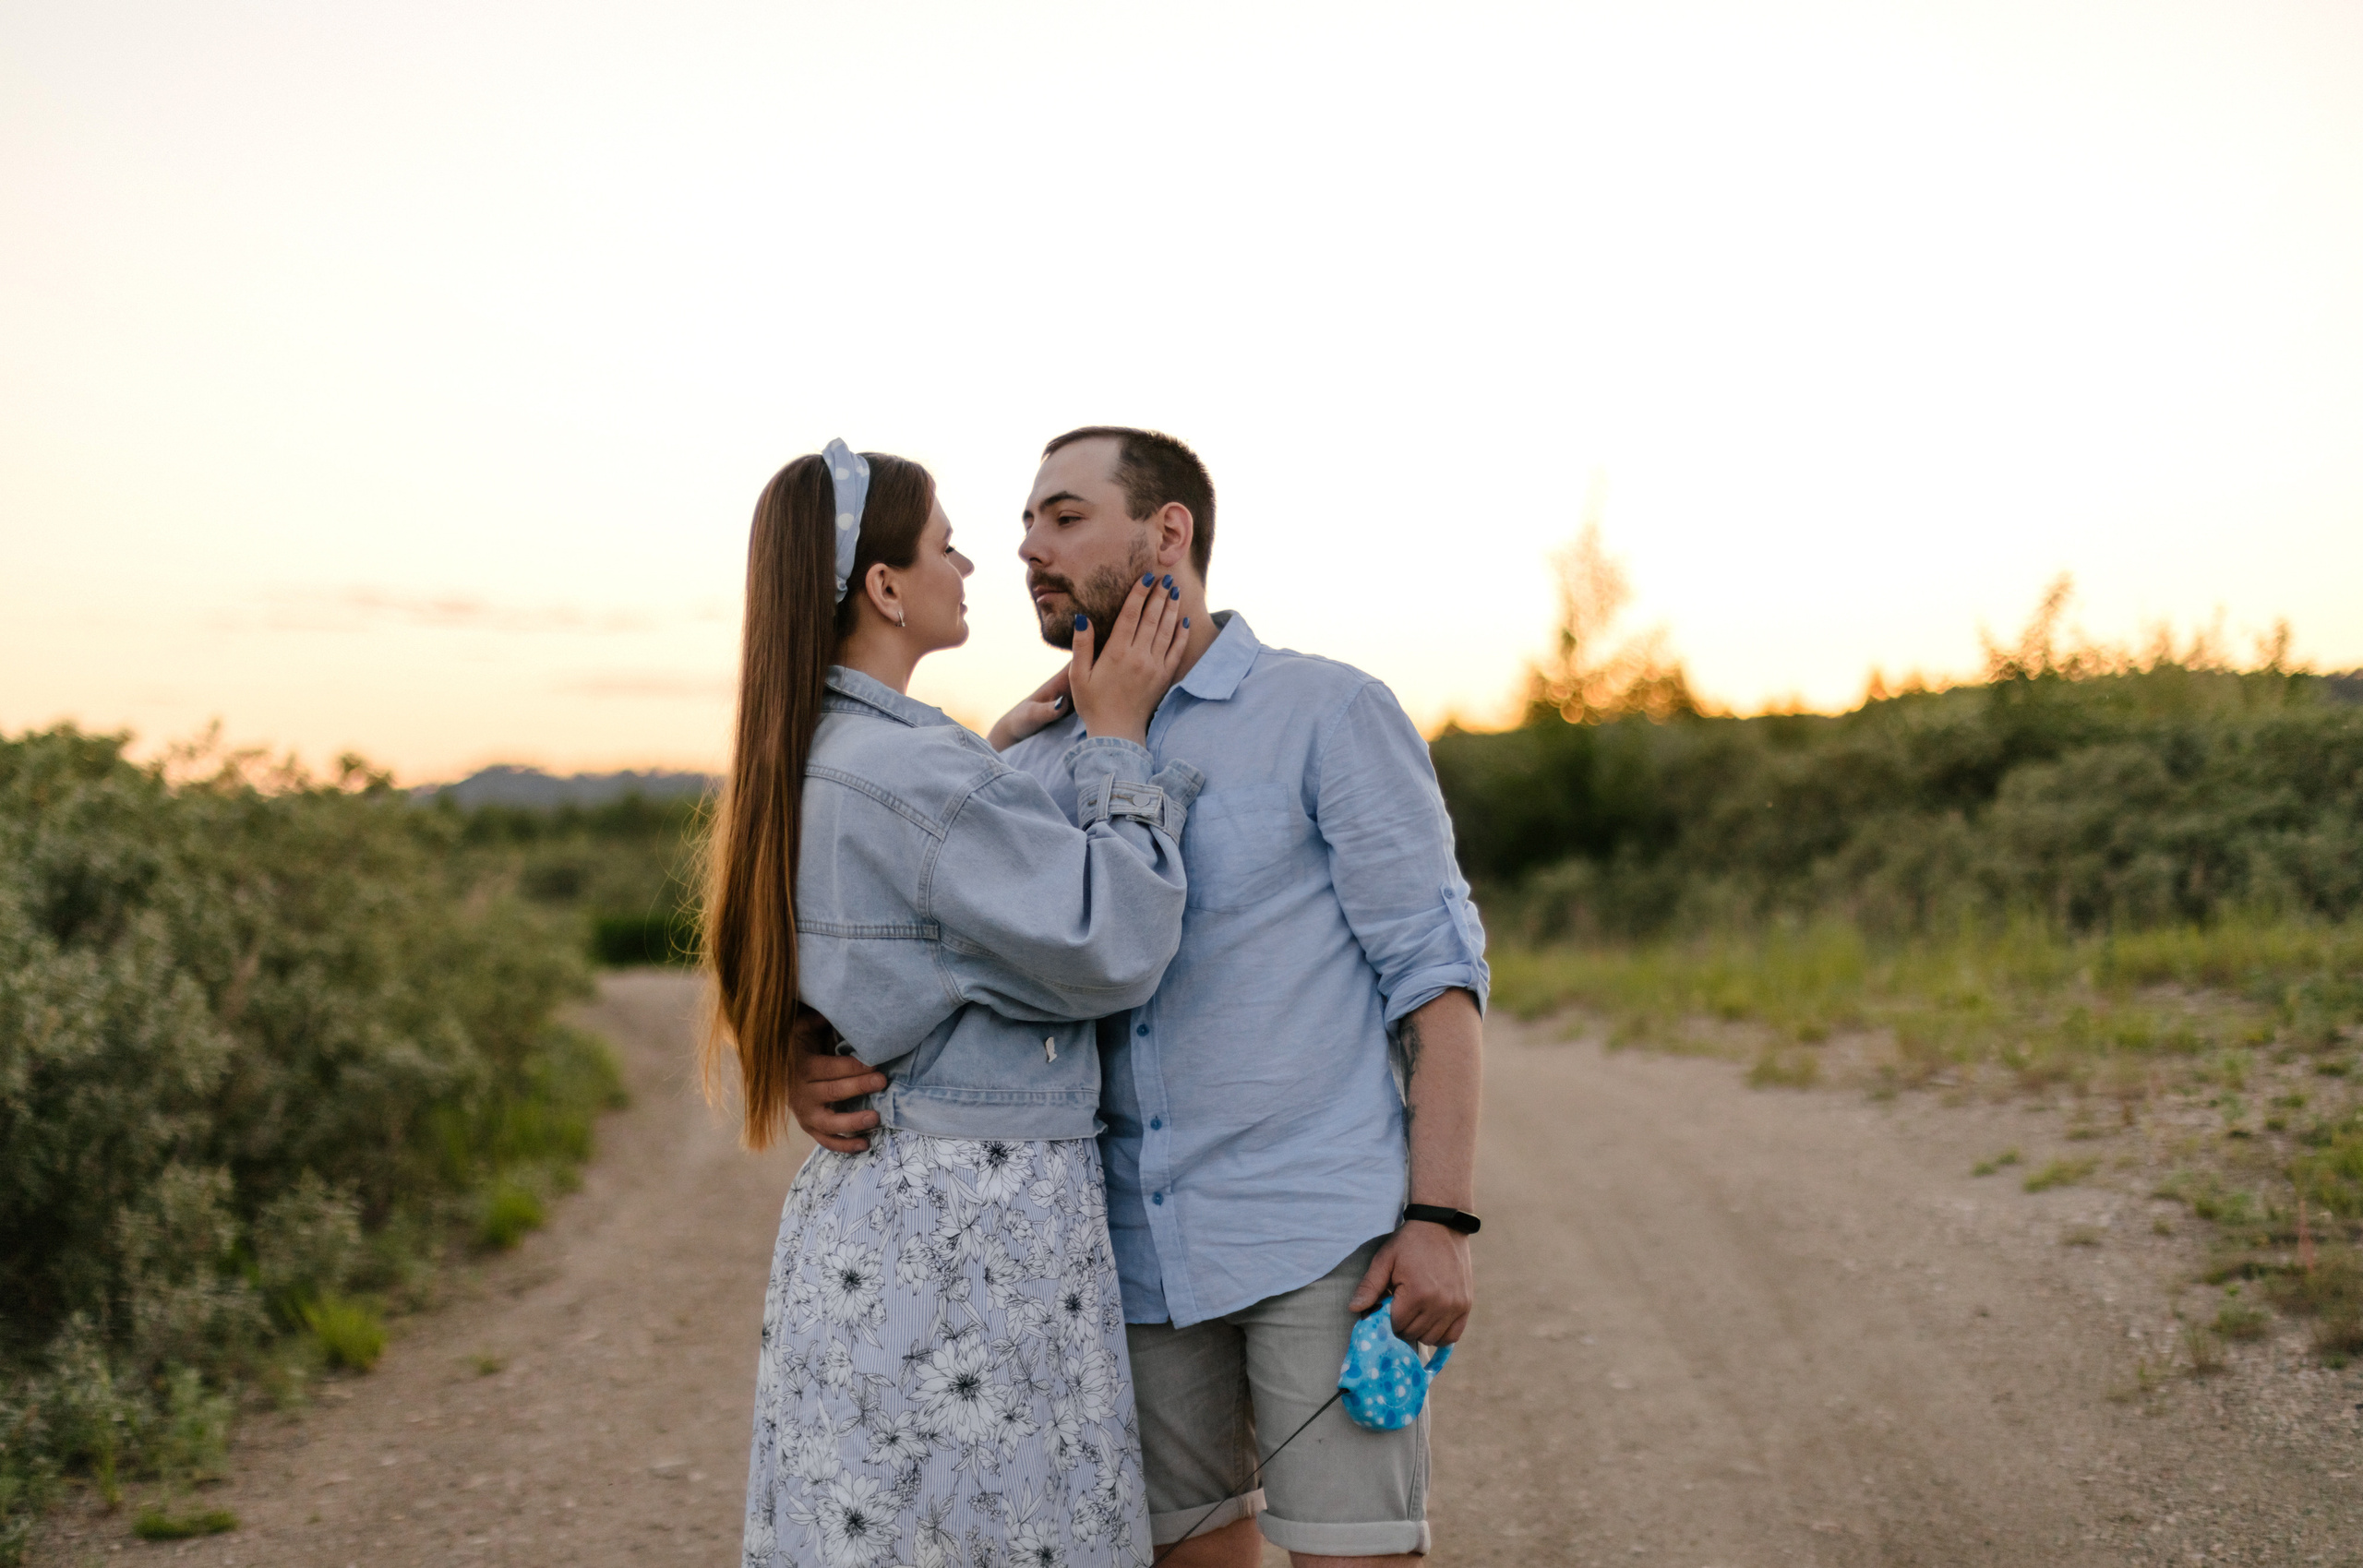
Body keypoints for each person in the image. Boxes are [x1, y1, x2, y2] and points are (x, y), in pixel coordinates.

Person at [793, 428, 1489, 1566]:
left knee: (1356, 1553)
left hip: (1318, 1239)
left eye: (1065, 518)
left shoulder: (1328, 711)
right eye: (1024, 524)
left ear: (1169, 531)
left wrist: (1440, 1219)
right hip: (1121, 1260)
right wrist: (806, 1052)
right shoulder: (1026, 765)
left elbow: (1437, 981)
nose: (1028, 548)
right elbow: (913, 944)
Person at [705, 441, 1207, 1568]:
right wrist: (1117, 743)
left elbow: (897, 912)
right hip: (976, 1234)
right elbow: (1115, 941)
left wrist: (991, 763)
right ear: (885, 586)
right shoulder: (914, 774)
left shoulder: (820, 752)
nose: (974, 562)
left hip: (874, 1225)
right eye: (944, 544)